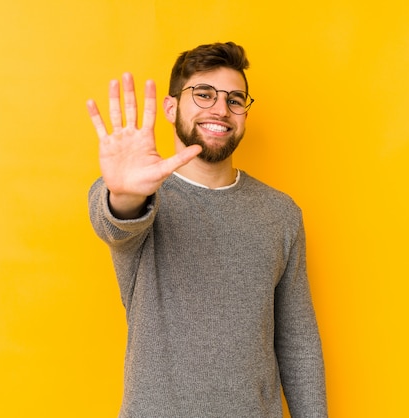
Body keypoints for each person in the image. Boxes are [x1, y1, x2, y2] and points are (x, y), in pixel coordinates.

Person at [86, 41, 327, 418]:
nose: (220, 109)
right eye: (203, 94)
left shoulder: (280, 213)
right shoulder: (141, 197)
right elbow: (116, 222)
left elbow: (297, 340)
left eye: (235, 99)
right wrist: (125, 192)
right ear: (171, 107)